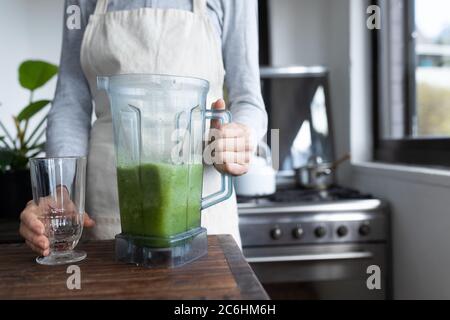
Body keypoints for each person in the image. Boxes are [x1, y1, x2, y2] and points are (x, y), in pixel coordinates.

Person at [19, 0, 267, 256]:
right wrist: (61, 193)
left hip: (204, 213)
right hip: (110, 212)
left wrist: (239, 135)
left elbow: (248, 100)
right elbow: (71, 104)